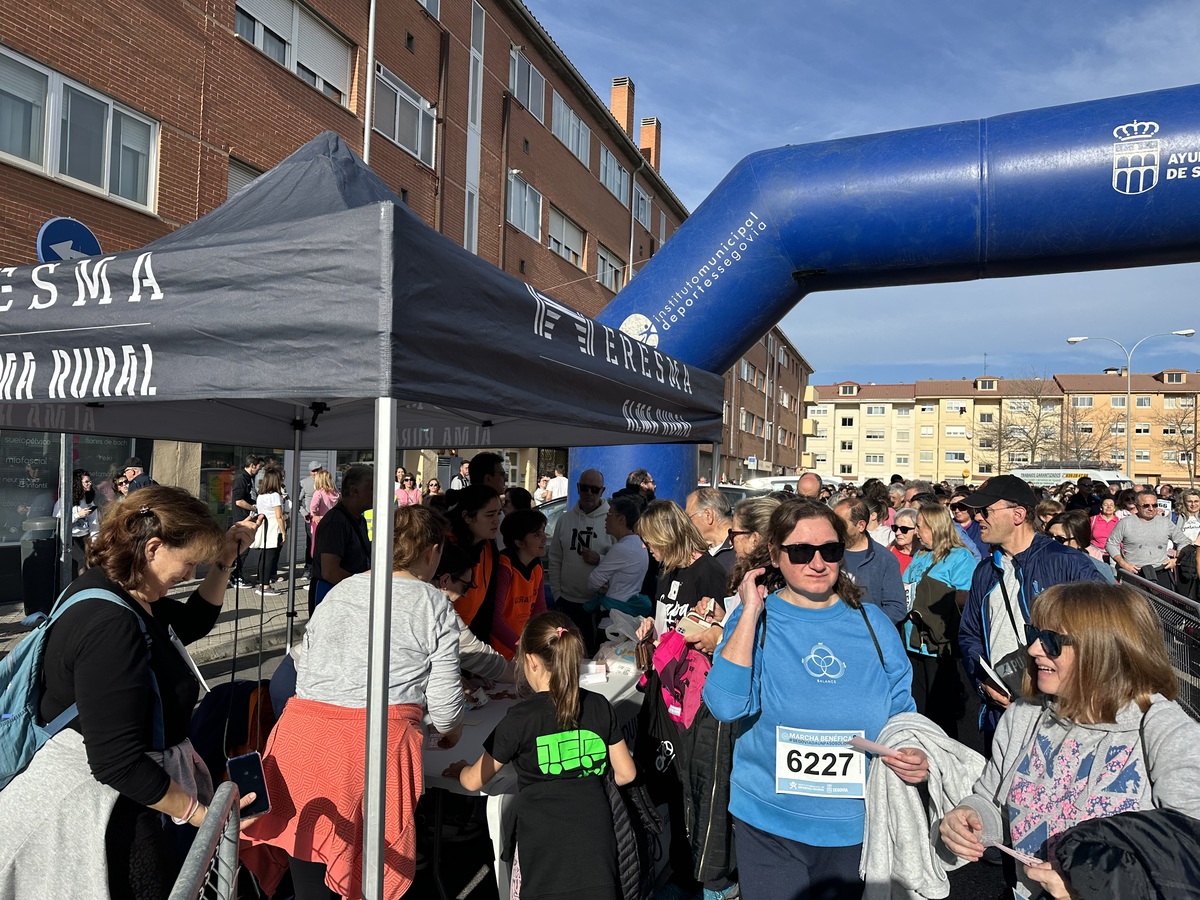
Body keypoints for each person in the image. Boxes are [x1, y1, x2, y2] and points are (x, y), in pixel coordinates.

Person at [0, 486, 259, 899]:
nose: (190, 575)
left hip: (118, 800)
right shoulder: (110, 625)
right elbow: (116, 762)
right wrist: (200, 815)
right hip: (100, 813)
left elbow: (188, 623)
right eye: (189, 562)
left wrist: (225, 562)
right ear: (153, 547)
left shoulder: (114, 589)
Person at [702, 499, 928, 900]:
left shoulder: (872, 622)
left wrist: (912, 753)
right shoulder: (755, 620)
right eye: (801, 552)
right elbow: (725, 704)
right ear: (774, 554)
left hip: (854, 824)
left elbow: (901, 712)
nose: (818, 563)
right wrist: (751, 610)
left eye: (831, 551)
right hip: (769, 823)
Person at [243, 504, 464, 900]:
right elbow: (447, 708)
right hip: (372, 745)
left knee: (308, 850)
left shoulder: (343, 590)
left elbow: (305, 662)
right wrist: (449, 731)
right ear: (432, 552)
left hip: (303, 735)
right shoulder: (433, 603)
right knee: (367, 873)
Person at [938, 582, 1200, 900]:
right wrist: (971, 816)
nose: (1033, 650)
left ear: (1104, 649)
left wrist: (1088, 890)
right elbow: (992, 800)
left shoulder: (1165, 731)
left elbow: (1186, 862)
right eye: (1033, 634)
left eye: (1051, 641)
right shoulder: (1023, 715)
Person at [445, 612, 636, 900]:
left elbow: (473, 782)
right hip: (596, 839)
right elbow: (626, 774)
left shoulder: (519, 719)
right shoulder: (598, 705)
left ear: (532, 661)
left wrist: (461, 769)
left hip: (542, 847)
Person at [957, 475, 1106, 753]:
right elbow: (969, 634)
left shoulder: (1065, 561)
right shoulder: (984, 571)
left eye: (985, 511)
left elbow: (1105, 628)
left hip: (1060, 714)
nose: (977, 518)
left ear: (1018, 514)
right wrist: (983, 681)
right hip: (1001, 714)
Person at [902, 502, 976, 738]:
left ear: (936, 528)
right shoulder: (921, 554)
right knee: (918, 709)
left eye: (920, 526)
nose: (916, 532)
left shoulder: (960, 557)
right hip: (912, 642)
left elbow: (965, 598)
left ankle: (947, 763)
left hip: (939, 646)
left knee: (941, 714)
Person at [636, 500, 728, 637]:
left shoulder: (708, 571)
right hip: (665, 655)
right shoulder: (666, 569)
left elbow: (721, 629)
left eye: (647, 541)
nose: (644, 546)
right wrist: (650, 621)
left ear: (665, 537)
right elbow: (660, 612)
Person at [547, 468, 612, 649]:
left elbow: (623, 560)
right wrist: (557, 594)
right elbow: (555, 559)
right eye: (585, 488)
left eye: (594, 489)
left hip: (599, 603)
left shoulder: (611, 520)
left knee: (593, 654)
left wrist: (600, 559)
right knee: (569, 653)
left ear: (602, 491)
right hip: (568, 601)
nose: (589, 493)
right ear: (577, 488)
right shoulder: (565, 519)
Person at [432, 542, 512, 682]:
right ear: (445, 580)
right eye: (465, 587)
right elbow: (472, 652)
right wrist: (525, 677)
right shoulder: (436, 607)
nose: (465, 595)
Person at [1106, 488, 1198, 590]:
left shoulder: (1165, 522)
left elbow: (1183, 541)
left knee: (1164, 605)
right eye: (1146, 505)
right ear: (1137, 506)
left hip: (1161, 573)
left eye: (1154, 505)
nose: (1151, 508)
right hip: (1134, 574)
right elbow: (1111, 544)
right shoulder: (1125, 523)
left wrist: (1176, 560)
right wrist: (1123, 563)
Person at [833, 498, 907, 623]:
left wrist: (864, 624)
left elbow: (896, 608)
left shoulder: (884, 559)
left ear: (861, 525)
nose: (834, 528)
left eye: (840, 524)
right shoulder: (827, 553)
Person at [311, 464, 372, 612]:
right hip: (331, 597)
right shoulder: (336, 522)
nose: (377, 493)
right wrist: (362, 585)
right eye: (372, 488)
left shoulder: (358, 519)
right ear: (354, 491)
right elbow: (330, 571)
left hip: (348, 595)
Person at [446, 484, 503, 643]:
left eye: (499, 513)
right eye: (490, 515)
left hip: (473, 639)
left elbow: (487, 606)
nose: (497, 521)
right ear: (468, 517)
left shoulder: (488, 546)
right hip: (445, 638)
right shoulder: (445, 548)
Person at [492, 508, 550, 659]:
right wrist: (524, 649)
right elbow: (494, 621)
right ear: (519, 542)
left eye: (544, 532)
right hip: (498, 654)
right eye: (537, 535)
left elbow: (539, 610)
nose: (545, 538)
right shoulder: (504, 567)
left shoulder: (536, 565)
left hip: (521, 650)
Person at [586, 496, 649, 622]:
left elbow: (593, 582)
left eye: (609, 514)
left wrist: (603, 587)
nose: (606, 518)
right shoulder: (637, 543)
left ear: (621, 519)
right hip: (626, 614)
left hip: (613, 618)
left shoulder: (622, 548)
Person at [248, 466, 288, 595]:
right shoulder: (275, 495)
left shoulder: (261, 495)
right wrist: (284, 532)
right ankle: (265, 586)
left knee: (264, 557)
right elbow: (279, 516)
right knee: (270, 558)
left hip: (264, 528)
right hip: (273, 529)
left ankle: (262, 583)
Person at [1047, 510, 1116, 584]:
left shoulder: (1099, 570)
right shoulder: (1037, 558)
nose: (1051, 542)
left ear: (1080, 541)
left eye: (1060, 539)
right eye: (1048, 536)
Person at [229, 454, 263, 589]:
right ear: (252, 466)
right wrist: (254, 507)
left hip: (247, 518)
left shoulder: (249, 478)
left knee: (244, 550)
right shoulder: (241, 479)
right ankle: (235, 577)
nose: (259, 470)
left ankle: (238, 574)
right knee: (241, 551)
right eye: (259, 468)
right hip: (241, 518)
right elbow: (239, 501)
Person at [686, 486, 737, 573]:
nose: (686, 525)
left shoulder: (740, 549)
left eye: (689, 518)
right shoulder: (697, 551)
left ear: (708, 515)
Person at [889, 507, 918, 574]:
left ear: (917, 529)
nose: (897, 533)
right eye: (895, 528)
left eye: (904, 529)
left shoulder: (927, 556)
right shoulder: (888, 554)